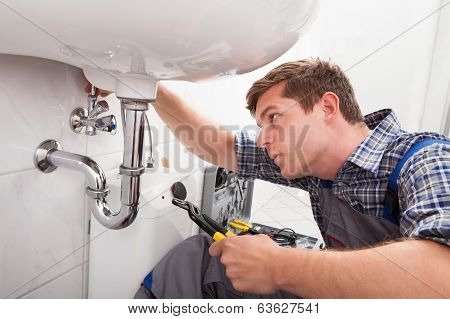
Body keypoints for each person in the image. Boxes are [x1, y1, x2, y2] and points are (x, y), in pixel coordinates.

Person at [102, 58, 450, 298]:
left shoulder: (426, 160)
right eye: (260, 126)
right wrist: (142, 85)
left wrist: (280, 266)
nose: (263, 138)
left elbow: (441, 281)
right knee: (198, 259)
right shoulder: (318, 171)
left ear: (327, 107)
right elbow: (219, 146)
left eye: (273, 118)